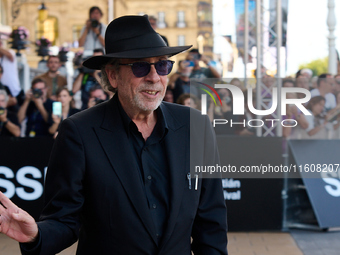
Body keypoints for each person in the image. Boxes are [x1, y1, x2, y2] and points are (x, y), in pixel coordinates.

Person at [0, 15, 228, 255]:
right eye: (140, 66)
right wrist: (36, 235)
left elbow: (211, 224)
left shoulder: (195, 126)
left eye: (162, 65)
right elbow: (64, 220)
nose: (154, 76)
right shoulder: (79, 132)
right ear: (113, 76)